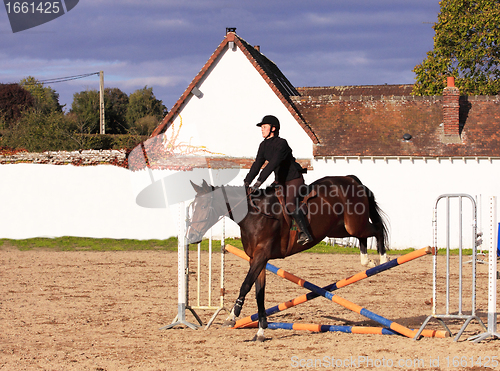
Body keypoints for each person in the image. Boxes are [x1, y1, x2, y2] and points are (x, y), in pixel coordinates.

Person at [244, 115, 313, 245]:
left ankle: (304, 233)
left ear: (273, 128)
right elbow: (257, 164)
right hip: (280, 181)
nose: (262, 129)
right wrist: (247, 182)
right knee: (268, 202)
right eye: (262, 127)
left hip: (293, 179)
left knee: (289, 204)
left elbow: (272, 164)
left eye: (264, 127)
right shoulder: (263, 145)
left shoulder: (282, 143)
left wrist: (258, 182)